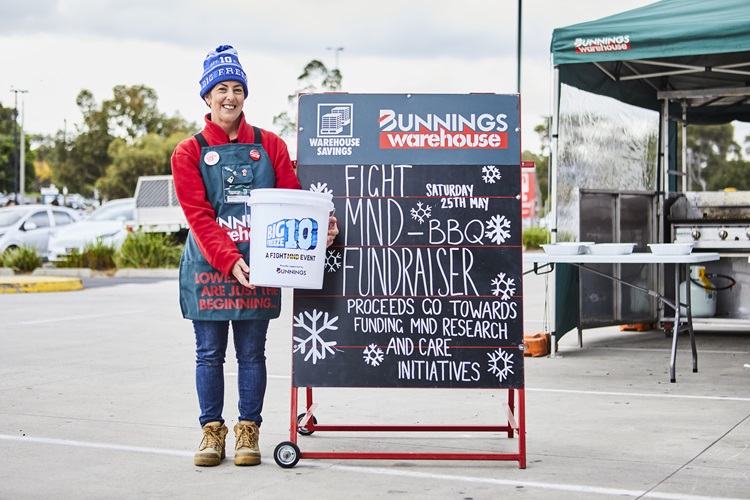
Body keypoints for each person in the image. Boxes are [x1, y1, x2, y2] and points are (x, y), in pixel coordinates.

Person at [171, 44, 338, 467]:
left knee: (252, 354)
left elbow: (293, 201)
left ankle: (249, 430)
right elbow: (199, 216)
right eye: (221, 89)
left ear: (245, 95)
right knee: (208, 353)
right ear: (207, 98)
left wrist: (321, 229)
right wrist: (229, 259)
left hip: (261, 265)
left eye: (237, 89)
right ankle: (212, 432)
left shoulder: (271, 145)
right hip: (209, 267)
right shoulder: (188, 152)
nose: (230, 97)